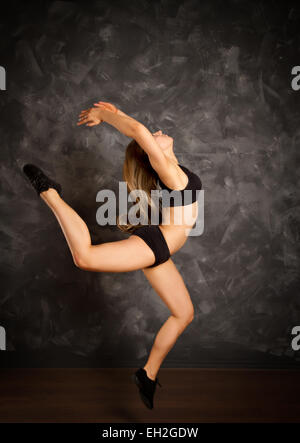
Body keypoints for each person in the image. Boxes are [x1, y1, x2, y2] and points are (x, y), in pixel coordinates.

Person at [22, 101, 202, 410]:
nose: (156, 132)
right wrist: (106, 115)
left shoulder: (172, 169)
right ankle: (50, 192)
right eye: (151, 138)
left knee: (183, 313)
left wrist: (116, 116)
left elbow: (141, 134)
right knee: (85, 257)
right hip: (156, 243)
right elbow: (138, 131)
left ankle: (147, 375)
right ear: (150, 154)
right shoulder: (169, 173)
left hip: (160, 251)